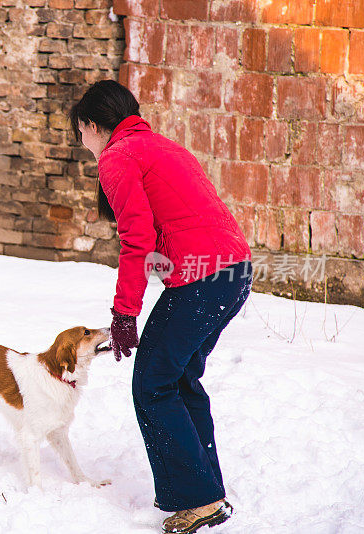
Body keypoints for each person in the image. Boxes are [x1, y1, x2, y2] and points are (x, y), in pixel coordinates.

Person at [69, 80, 253, 534]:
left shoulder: (118, 156)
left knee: (152, 384)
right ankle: (207, 492)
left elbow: (137, 239)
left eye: (82, 135)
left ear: (93, 125)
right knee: (179, 379)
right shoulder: (160, 146)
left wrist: (124, 314)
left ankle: (199, 500)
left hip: (204, 278)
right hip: (235, 272)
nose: (86, 147)